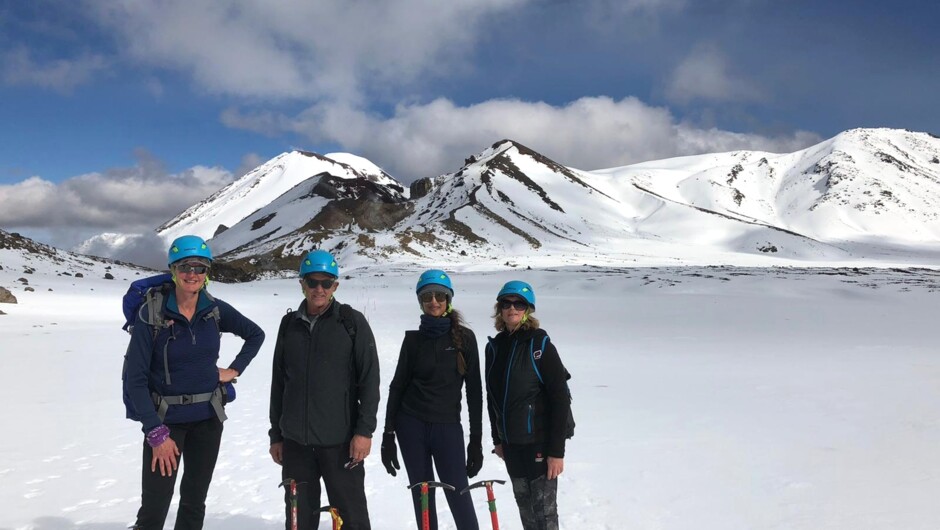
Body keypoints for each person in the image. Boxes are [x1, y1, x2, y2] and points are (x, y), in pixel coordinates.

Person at [123, 235, 265, 530]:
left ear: (207, 272)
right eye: (185, 266)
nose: (193, 274)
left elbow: (255, 334)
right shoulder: (152, 313)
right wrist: (155, 432)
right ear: (173, 269)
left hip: (208, 420)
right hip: (166, 425)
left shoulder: (214, 309)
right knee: (154, 506)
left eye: (200, 267)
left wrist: (235, 369)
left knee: (193, 502)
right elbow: (135, 380)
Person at [269, 249, 380, 530]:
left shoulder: (351, 322)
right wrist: (276, 434)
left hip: (340, 442)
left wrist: (364, 431)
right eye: (312, 282)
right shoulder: (288, 325)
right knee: (299, 519)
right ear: (302, 283)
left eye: (326, 283)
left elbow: (369, 380)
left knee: (351, 517)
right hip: (296, 443)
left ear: (335, 286)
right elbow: (280, 382)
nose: (319, 289)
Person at [381, 270, 483, 530]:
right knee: (423, 496)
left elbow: (474, 393)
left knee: (459, 493)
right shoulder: (413, 341)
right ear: (420, 300)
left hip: (447, 427)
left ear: (448, 299)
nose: (434, 301)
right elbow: (397, 386)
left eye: (439, 295)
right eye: (427, 296)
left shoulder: (465, 339)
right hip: (410, 425)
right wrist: (388, 434)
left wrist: (476, 443)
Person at [485, 281, 571, 530]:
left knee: (544, 514)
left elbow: (560, 398)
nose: (512, 308)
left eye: (519, 303)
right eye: (506, 303)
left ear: (528, 309)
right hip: (512, 446)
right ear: (499, 309)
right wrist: (497, 439)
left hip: (540, 445)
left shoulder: (539, 345)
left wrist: (557, 452)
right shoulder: (494, 348)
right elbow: (493, 399)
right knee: (526, 511)